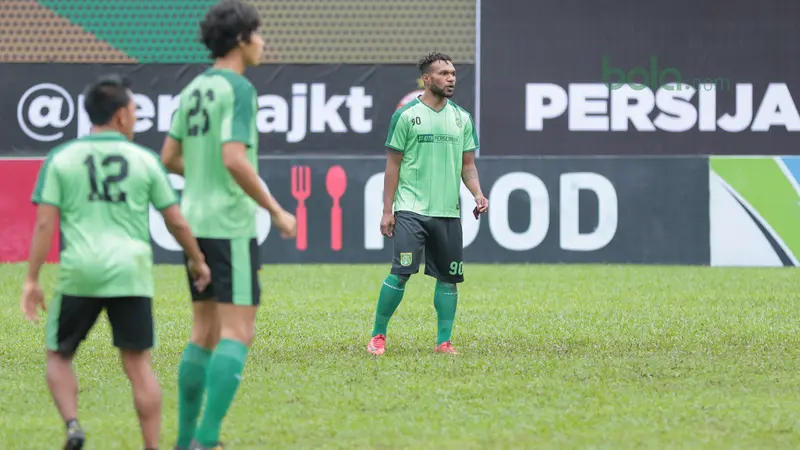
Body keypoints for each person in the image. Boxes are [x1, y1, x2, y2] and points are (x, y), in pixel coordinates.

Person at [20, 73, 212, 450]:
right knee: (138, 365)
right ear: (122, 115)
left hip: (80, 274)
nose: (137, 117)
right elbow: (175, 220)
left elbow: (45, 224)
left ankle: (73, 425)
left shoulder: (62, 158)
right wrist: (197, 259)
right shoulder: (143, 159)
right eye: (135, 110)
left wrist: (32, 278)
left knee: (59, 355)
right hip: (131, 273)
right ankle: (152, 447)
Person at [159, 1, 297, 449]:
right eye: (258, 32)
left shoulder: (194, 88)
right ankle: (208, 439)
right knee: (239, 331)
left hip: (193, 222)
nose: (263, 40)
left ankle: (184, 441)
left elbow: (169, 159)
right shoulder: (238, 89)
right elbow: (234, 158)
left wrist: (203, 175)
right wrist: (276, 210)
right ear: (242, 39)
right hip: (228, 224)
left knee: (204, 332)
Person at [367, 52, 488, 356]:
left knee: (449, 278)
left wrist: (477, 193)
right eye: (444, 73)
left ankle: (443, 342)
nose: (451, 78)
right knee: (401, 272)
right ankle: (378, 336)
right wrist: (387, 210)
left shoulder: (462, 118)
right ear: (427, 79)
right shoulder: (406, 116)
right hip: (411, 210)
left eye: (453, 73)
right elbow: (392, 166)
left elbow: (468, 165)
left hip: (447, 212)